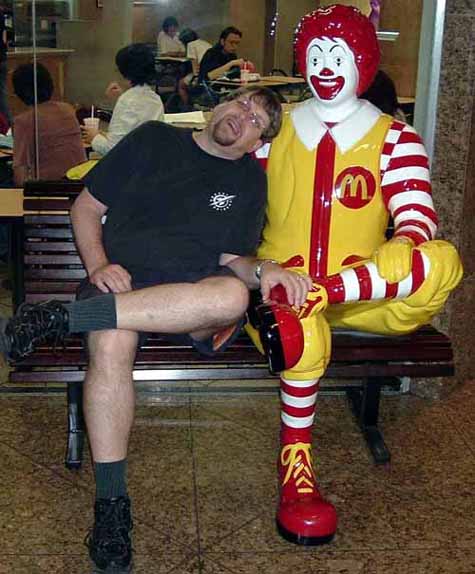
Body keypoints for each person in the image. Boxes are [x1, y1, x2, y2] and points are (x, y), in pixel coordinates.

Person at [0, 85, 292, 573]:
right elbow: (86, 208)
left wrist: (266, 271)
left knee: (233, 296)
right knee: (112, 343)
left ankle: (59, 320)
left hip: (190, 298)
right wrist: (98, 266)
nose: (243, 116)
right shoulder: (153, 139)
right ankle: (111, 509)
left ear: (255, 145)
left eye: (257, 121)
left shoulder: (248, 182)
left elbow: (232, 260)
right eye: (242, 103)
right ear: (220, 105)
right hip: (121, 284)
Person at [248, 4, 463, 547]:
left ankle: (326, 293)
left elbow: (417, 216)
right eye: (316, 54)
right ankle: (296, 467)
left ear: (363, 61)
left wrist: (404, 241)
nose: (325, 66)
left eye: (338, 55)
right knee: (300, 327)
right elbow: (218, 191)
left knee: (442, 261)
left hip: (368, 292)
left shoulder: (395, 138)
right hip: (284, 291)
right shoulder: (274, 130)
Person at [81, 43, 164, 157]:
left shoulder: (127, 101)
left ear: (124, 72)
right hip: (151, 160)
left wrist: (94, 137)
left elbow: (113, 150)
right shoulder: (155, 99)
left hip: (131, 164)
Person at [12, 63, 86, 185]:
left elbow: (20, 172)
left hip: (47, 188)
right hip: (80, 183)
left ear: (19, 92)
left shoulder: (23, 121)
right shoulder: (68, 109)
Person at [176, 28, 212, 109]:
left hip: (202, 77)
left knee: (181, 84)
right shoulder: (205, 43)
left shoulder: (190, 45)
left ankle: (187, 107)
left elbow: (195, 70)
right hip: (212, 75)